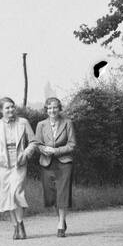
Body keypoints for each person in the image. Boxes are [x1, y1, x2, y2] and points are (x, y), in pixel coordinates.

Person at [0, 97, 37, 239]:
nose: (10, 110)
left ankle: (21, 224)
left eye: (12, 107)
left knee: (16, 193)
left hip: (19, 163)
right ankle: (15, 227)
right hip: (4, 165)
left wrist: (25, 154)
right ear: (1, 110)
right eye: (7, 108)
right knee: (8, 196)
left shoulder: (23, 122)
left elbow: (33, 142)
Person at [35, 96, 76, 237]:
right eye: (49, 108)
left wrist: (56, 150)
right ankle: (61, 219)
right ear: (46, 110)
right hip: (46, 162)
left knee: (62, 193)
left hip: (64, 162)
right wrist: (43, 149)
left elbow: (72, 144)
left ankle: (60, 224)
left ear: (59, 108)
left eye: (55, 107)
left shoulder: (67, 123)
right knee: (51, 195)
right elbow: (37, 144)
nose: (52, 110)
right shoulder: (41, 125)